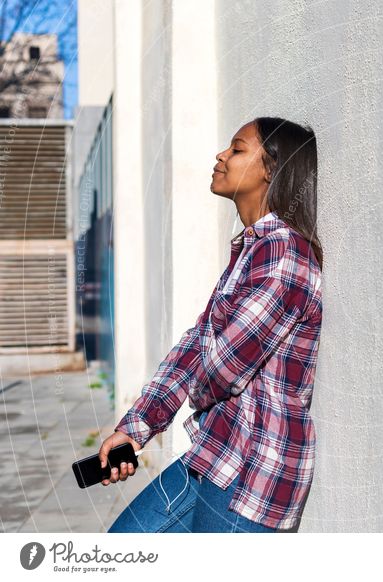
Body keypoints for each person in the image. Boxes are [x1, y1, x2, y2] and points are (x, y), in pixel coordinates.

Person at [100, 117, 323, 533]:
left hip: (253, 472)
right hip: (213, 452)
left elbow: (222, 367)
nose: (221, 156)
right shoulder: (250, 251)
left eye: (237, 150)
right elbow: (198, 346)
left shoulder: (284, 255)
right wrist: (136, 429)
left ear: (271, 170)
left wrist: (199, 380)